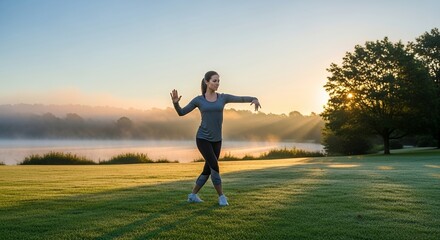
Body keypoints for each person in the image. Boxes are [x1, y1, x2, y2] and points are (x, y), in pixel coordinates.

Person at [170, 71, 261, 206]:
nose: (217, 83)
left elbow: (239, 98)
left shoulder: (222, 98)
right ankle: (222, 197)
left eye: (218, 81)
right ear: (207, 82)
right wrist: (176, 103)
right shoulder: (198, 100)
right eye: (214, 81)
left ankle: (192, 195)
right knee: (214, 166)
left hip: (217, 140)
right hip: (202, 138)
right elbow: (181, 113)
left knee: (207, 170)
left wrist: (254, 98)